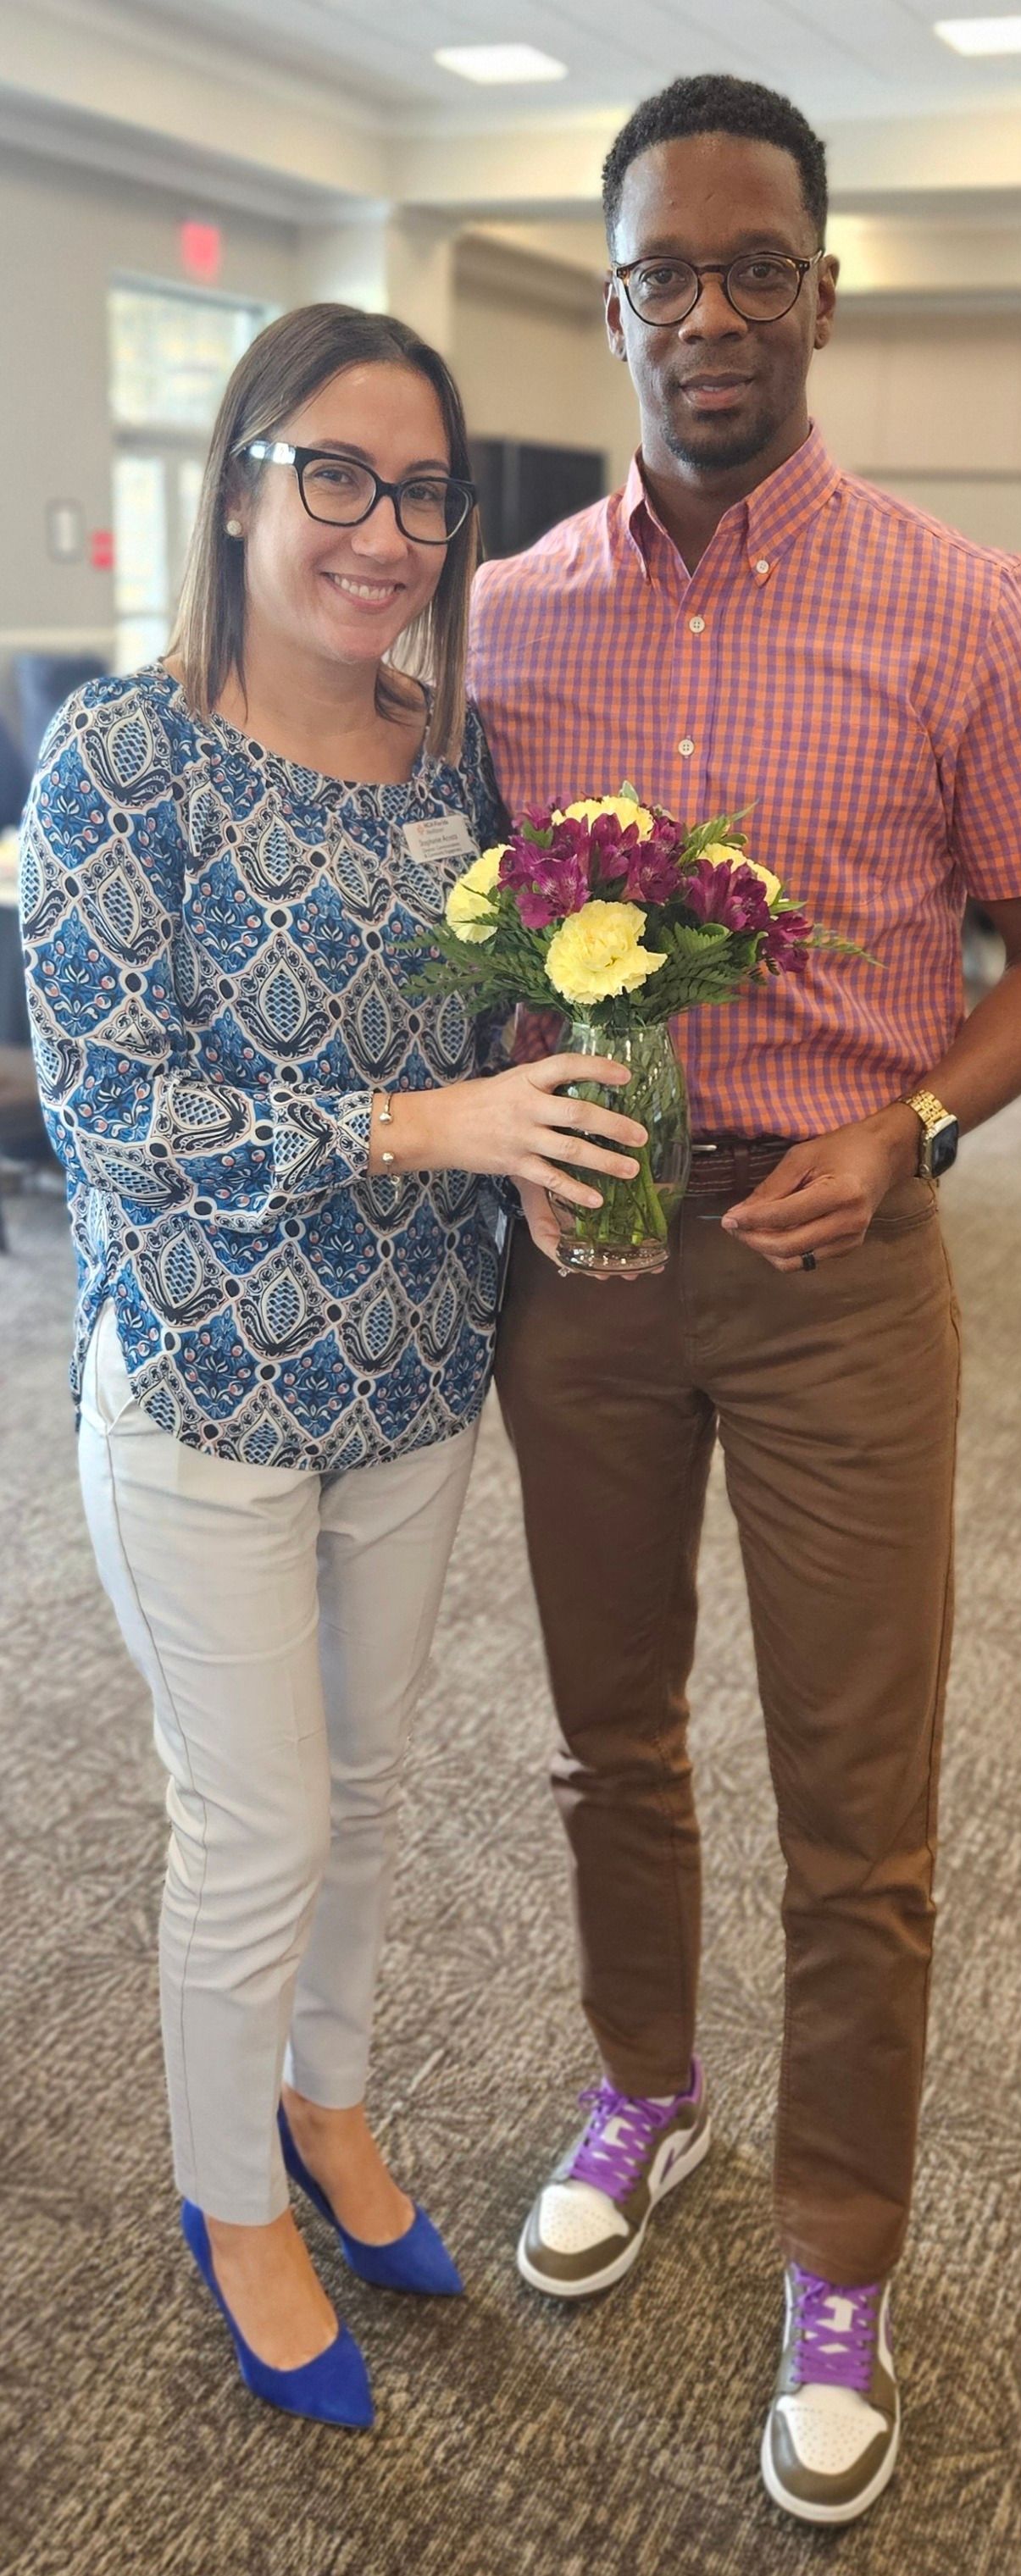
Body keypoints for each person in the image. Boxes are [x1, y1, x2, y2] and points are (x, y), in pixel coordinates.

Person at [468, 75, 1021, 2527]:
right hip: (597, 1264)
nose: (707, 315)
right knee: (605, 1736)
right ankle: (644, 2085)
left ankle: (837, 2244)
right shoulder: (515, 617)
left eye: (755, 269)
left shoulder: (954, 601)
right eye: (661, 274)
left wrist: (914, 1122)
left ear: (823, 294)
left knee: (859, 1800)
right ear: (613, 293)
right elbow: (479, 941)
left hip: (847, 1279)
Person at [19, 302, 646, 2430]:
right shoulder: (122, 759)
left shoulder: (450, 767)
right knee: (256, 1821)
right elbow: (118, 1125)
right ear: (238, 477)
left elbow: (474, 1040)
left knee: (364, 1793)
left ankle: (329, 2103)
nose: (386, 533)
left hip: (408, 1382)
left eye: (425, 491)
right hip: (197, 1392)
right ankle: (233, 2200)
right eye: (337, 475)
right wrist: (430, 1131)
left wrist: (542, 1120)